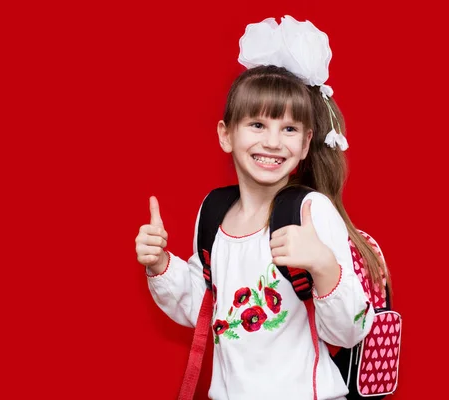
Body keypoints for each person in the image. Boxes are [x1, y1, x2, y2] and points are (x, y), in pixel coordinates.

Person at [135, 16, 390, 400]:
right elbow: (207, 308)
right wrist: (160, 264)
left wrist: (323, 264)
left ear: (305, 144)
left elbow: (349, 332)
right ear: (226, 134)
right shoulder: (214, 210)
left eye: (288, 129)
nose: (272, 142)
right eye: (257, 124)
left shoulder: (311, 210)